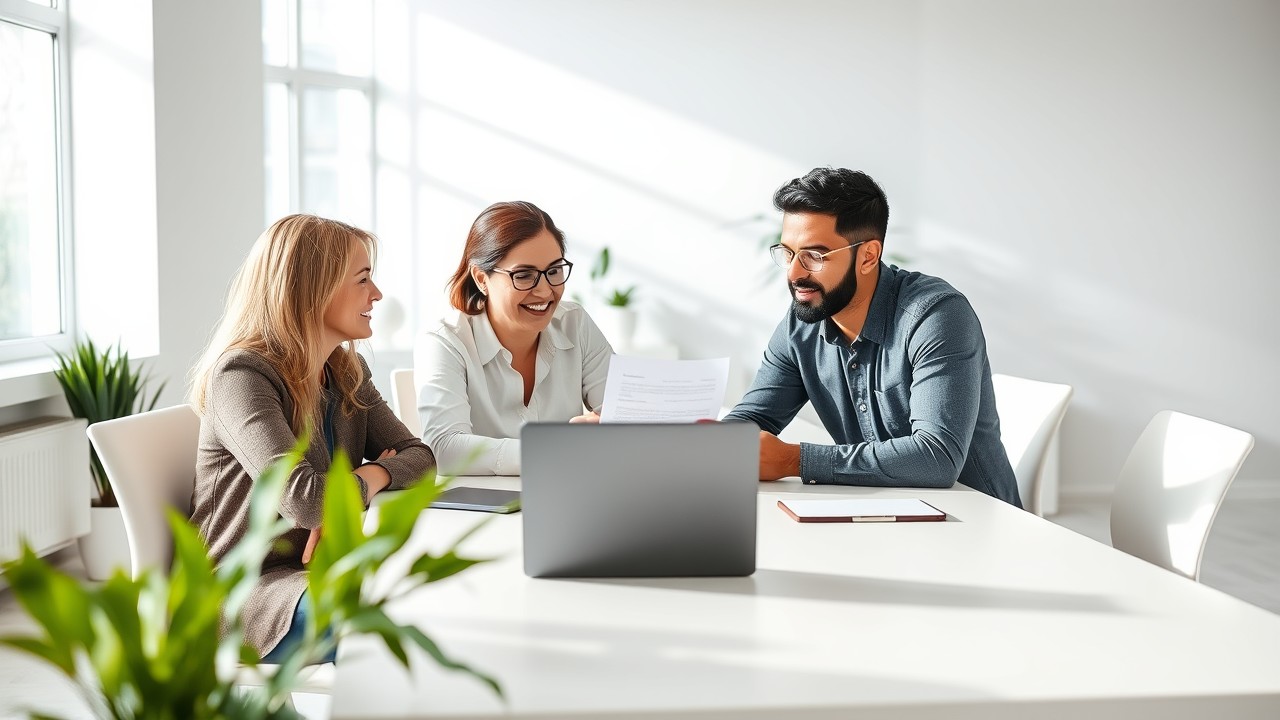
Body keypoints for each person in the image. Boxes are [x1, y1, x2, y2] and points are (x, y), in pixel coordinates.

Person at [189, 214, 436, 663]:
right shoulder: (242, 375)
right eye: (363, 281)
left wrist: (368, 475)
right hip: (245, 594)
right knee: (383, 625)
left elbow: (421, 458)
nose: (377, 294)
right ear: (313, 290)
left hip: (317, 571)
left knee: (422, 603)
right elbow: (305, 501)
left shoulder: (345, 371)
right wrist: (366, 480)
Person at [723, 168, 1021, 506]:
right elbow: (754, 419)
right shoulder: (802, 323)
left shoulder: (936, 316)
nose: (794, 273)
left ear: (867, 256)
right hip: (878, 514)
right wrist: (714, 442)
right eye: (788, 253)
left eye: (814, 256)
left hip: (978, 525)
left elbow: (937, 458)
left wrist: (795, 460)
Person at [415, 201, 612, 475]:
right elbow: (444, 449)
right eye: (524, 275)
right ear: (481, 278)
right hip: (482, 511)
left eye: (554, 271)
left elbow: (622, 418)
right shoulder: (445, 340)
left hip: (568, 495)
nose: (545, 291)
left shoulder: (574, 323)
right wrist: (555, 449)